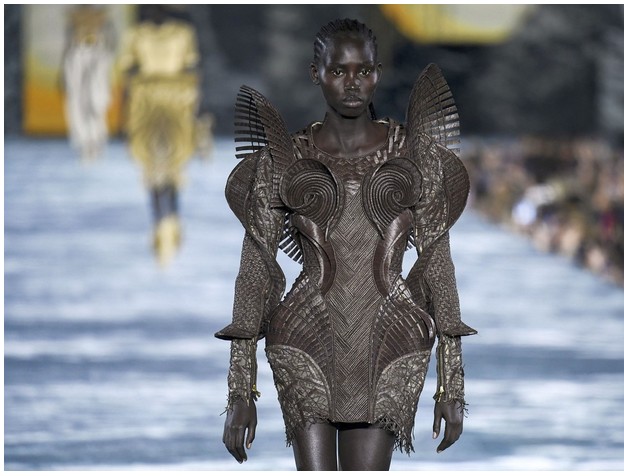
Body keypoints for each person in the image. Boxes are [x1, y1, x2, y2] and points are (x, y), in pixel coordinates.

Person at [215, 18, 476, 470]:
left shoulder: (415, 155)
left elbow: (437, 264)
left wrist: (451, 385)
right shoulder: (284, 160)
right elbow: (255, 269)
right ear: (315, 73)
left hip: (392, 337)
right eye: (338, 71)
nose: (352, 83)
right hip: (303, 336)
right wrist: (240, 391)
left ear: (378, 73)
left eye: (363, 70)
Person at [117, 5, 200, 266]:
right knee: (152, 165)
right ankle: (162, 221)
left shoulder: (183, 32)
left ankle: (169, 220)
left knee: (172, 164)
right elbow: (127, 68)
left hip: (172, 98)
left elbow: (192, 66)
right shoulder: (136, 33)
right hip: (149, 99)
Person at [60, 5, 115, 163]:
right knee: (77, 103)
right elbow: (68, 40)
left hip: (98, 53)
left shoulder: (101, 14)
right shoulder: (73, 14)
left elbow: (111, 38)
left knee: (97, 102)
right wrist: (63, 71)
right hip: (77, 54)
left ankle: (96, 141)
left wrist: (107, 56)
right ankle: (84, 143)